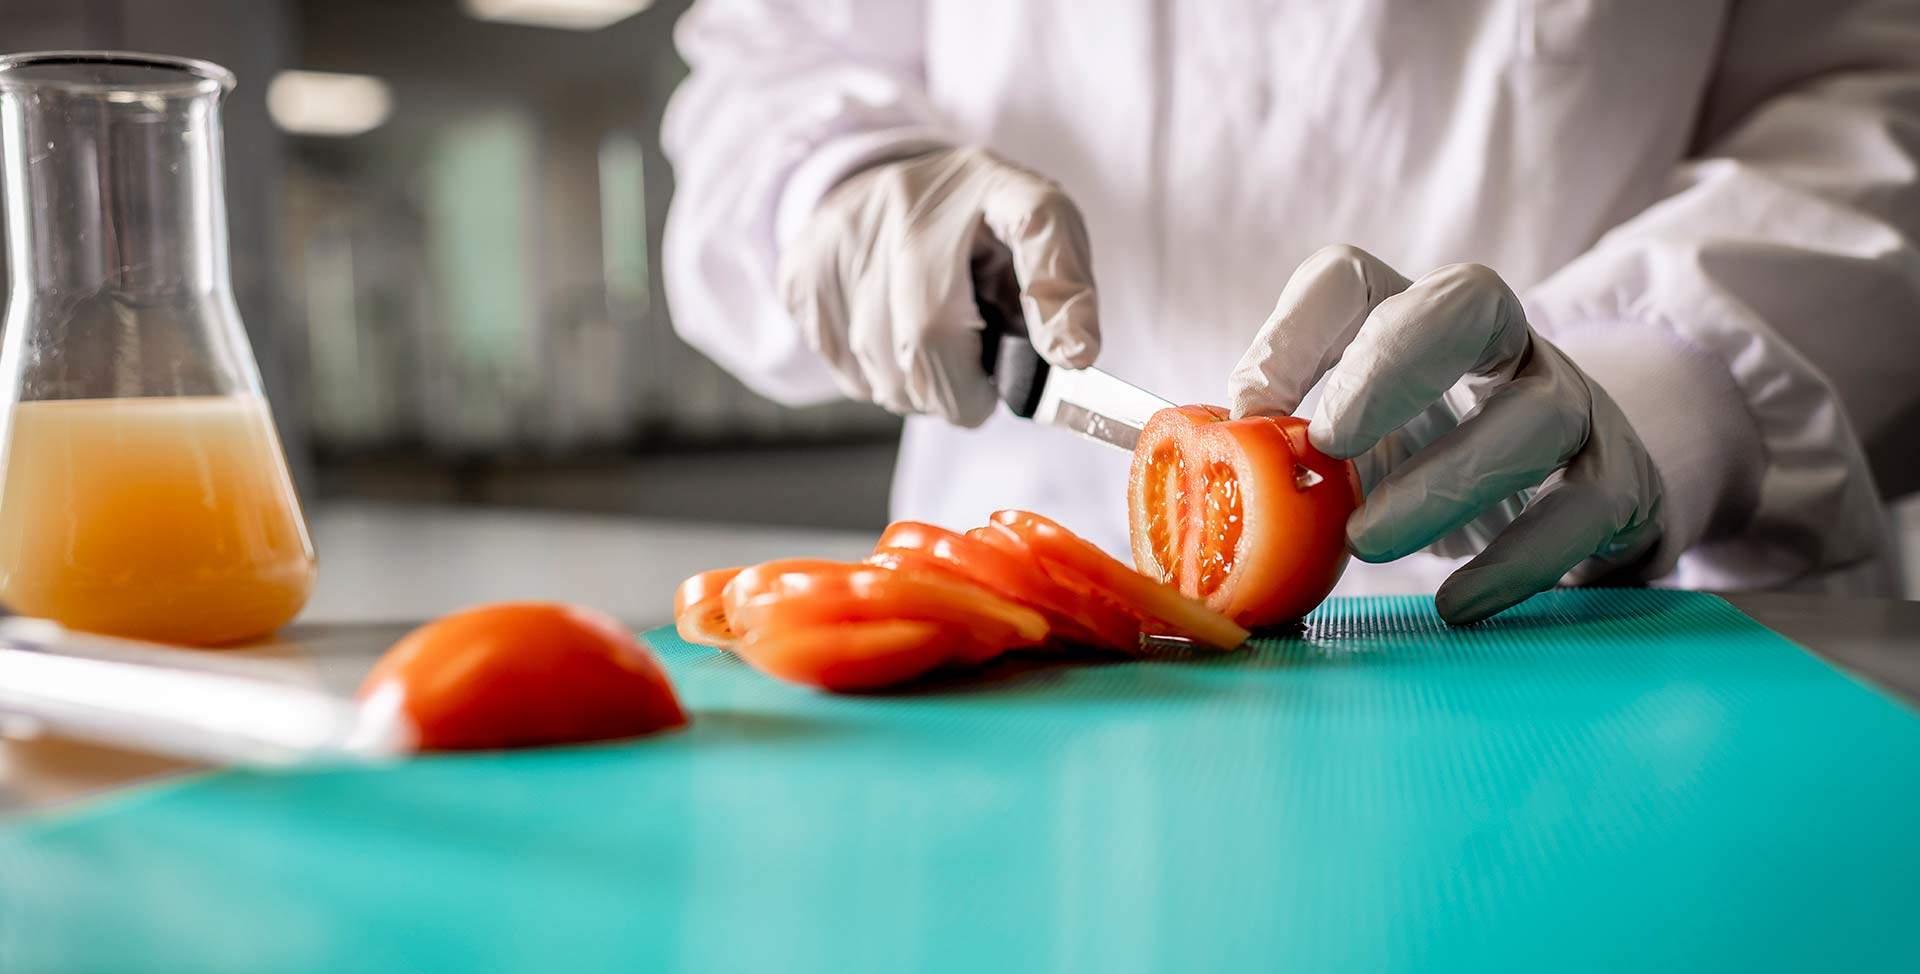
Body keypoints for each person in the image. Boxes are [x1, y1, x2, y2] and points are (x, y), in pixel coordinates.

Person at [661, 1, 1919, 623]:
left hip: (1577, 626)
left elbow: (1876, 88)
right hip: (999, 631)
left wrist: (1670, 379)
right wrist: (838, 184)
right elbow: (777, 59)